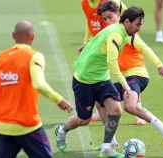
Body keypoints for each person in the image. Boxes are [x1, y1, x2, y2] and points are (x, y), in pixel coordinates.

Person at [55, 7, 145, 158]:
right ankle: (62, 130)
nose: (139, 28)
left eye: (141, 24)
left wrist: (88, 46)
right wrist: (126, 87)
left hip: (101, 78)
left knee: (116, 110)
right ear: (127, 22)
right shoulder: (116, 34)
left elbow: (98, 38)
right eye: (137, 24)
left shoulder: (119, 30)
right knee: (84, 119)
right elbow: (113, 65)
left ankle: (107, 147)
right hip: (84, 79)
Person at [0, 20, 73, 158]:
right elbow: (39, 84)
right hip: (28, 126)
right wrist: (59, 100)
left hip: (5, 127)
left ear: (13, 36)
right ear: (32, 36)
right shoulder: (34, 56)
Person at [98, 1, 163, 149]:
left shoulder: (128, 32)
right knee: (100, 100)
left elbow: (145, 48)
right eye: (105, 19)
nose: (107, 21)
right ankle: (111, 142)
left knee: (130, 106)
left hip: (137, 75)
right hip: (125, 78)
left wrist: (160, 66)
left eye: (110, 17)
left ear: (119, 16)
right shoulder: (112, 32)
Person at [80, 0, 147, 125]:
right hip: (109, 39)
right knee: (115, 74)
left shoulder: (113, 3)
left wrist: (132, 33)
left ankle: (139, 112)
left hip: (123, 37)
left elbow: (130, 18)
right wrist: (87, 41)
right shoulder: (85, 3)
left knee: (131, 74)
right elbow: (89, 23)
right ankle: (104, 113)